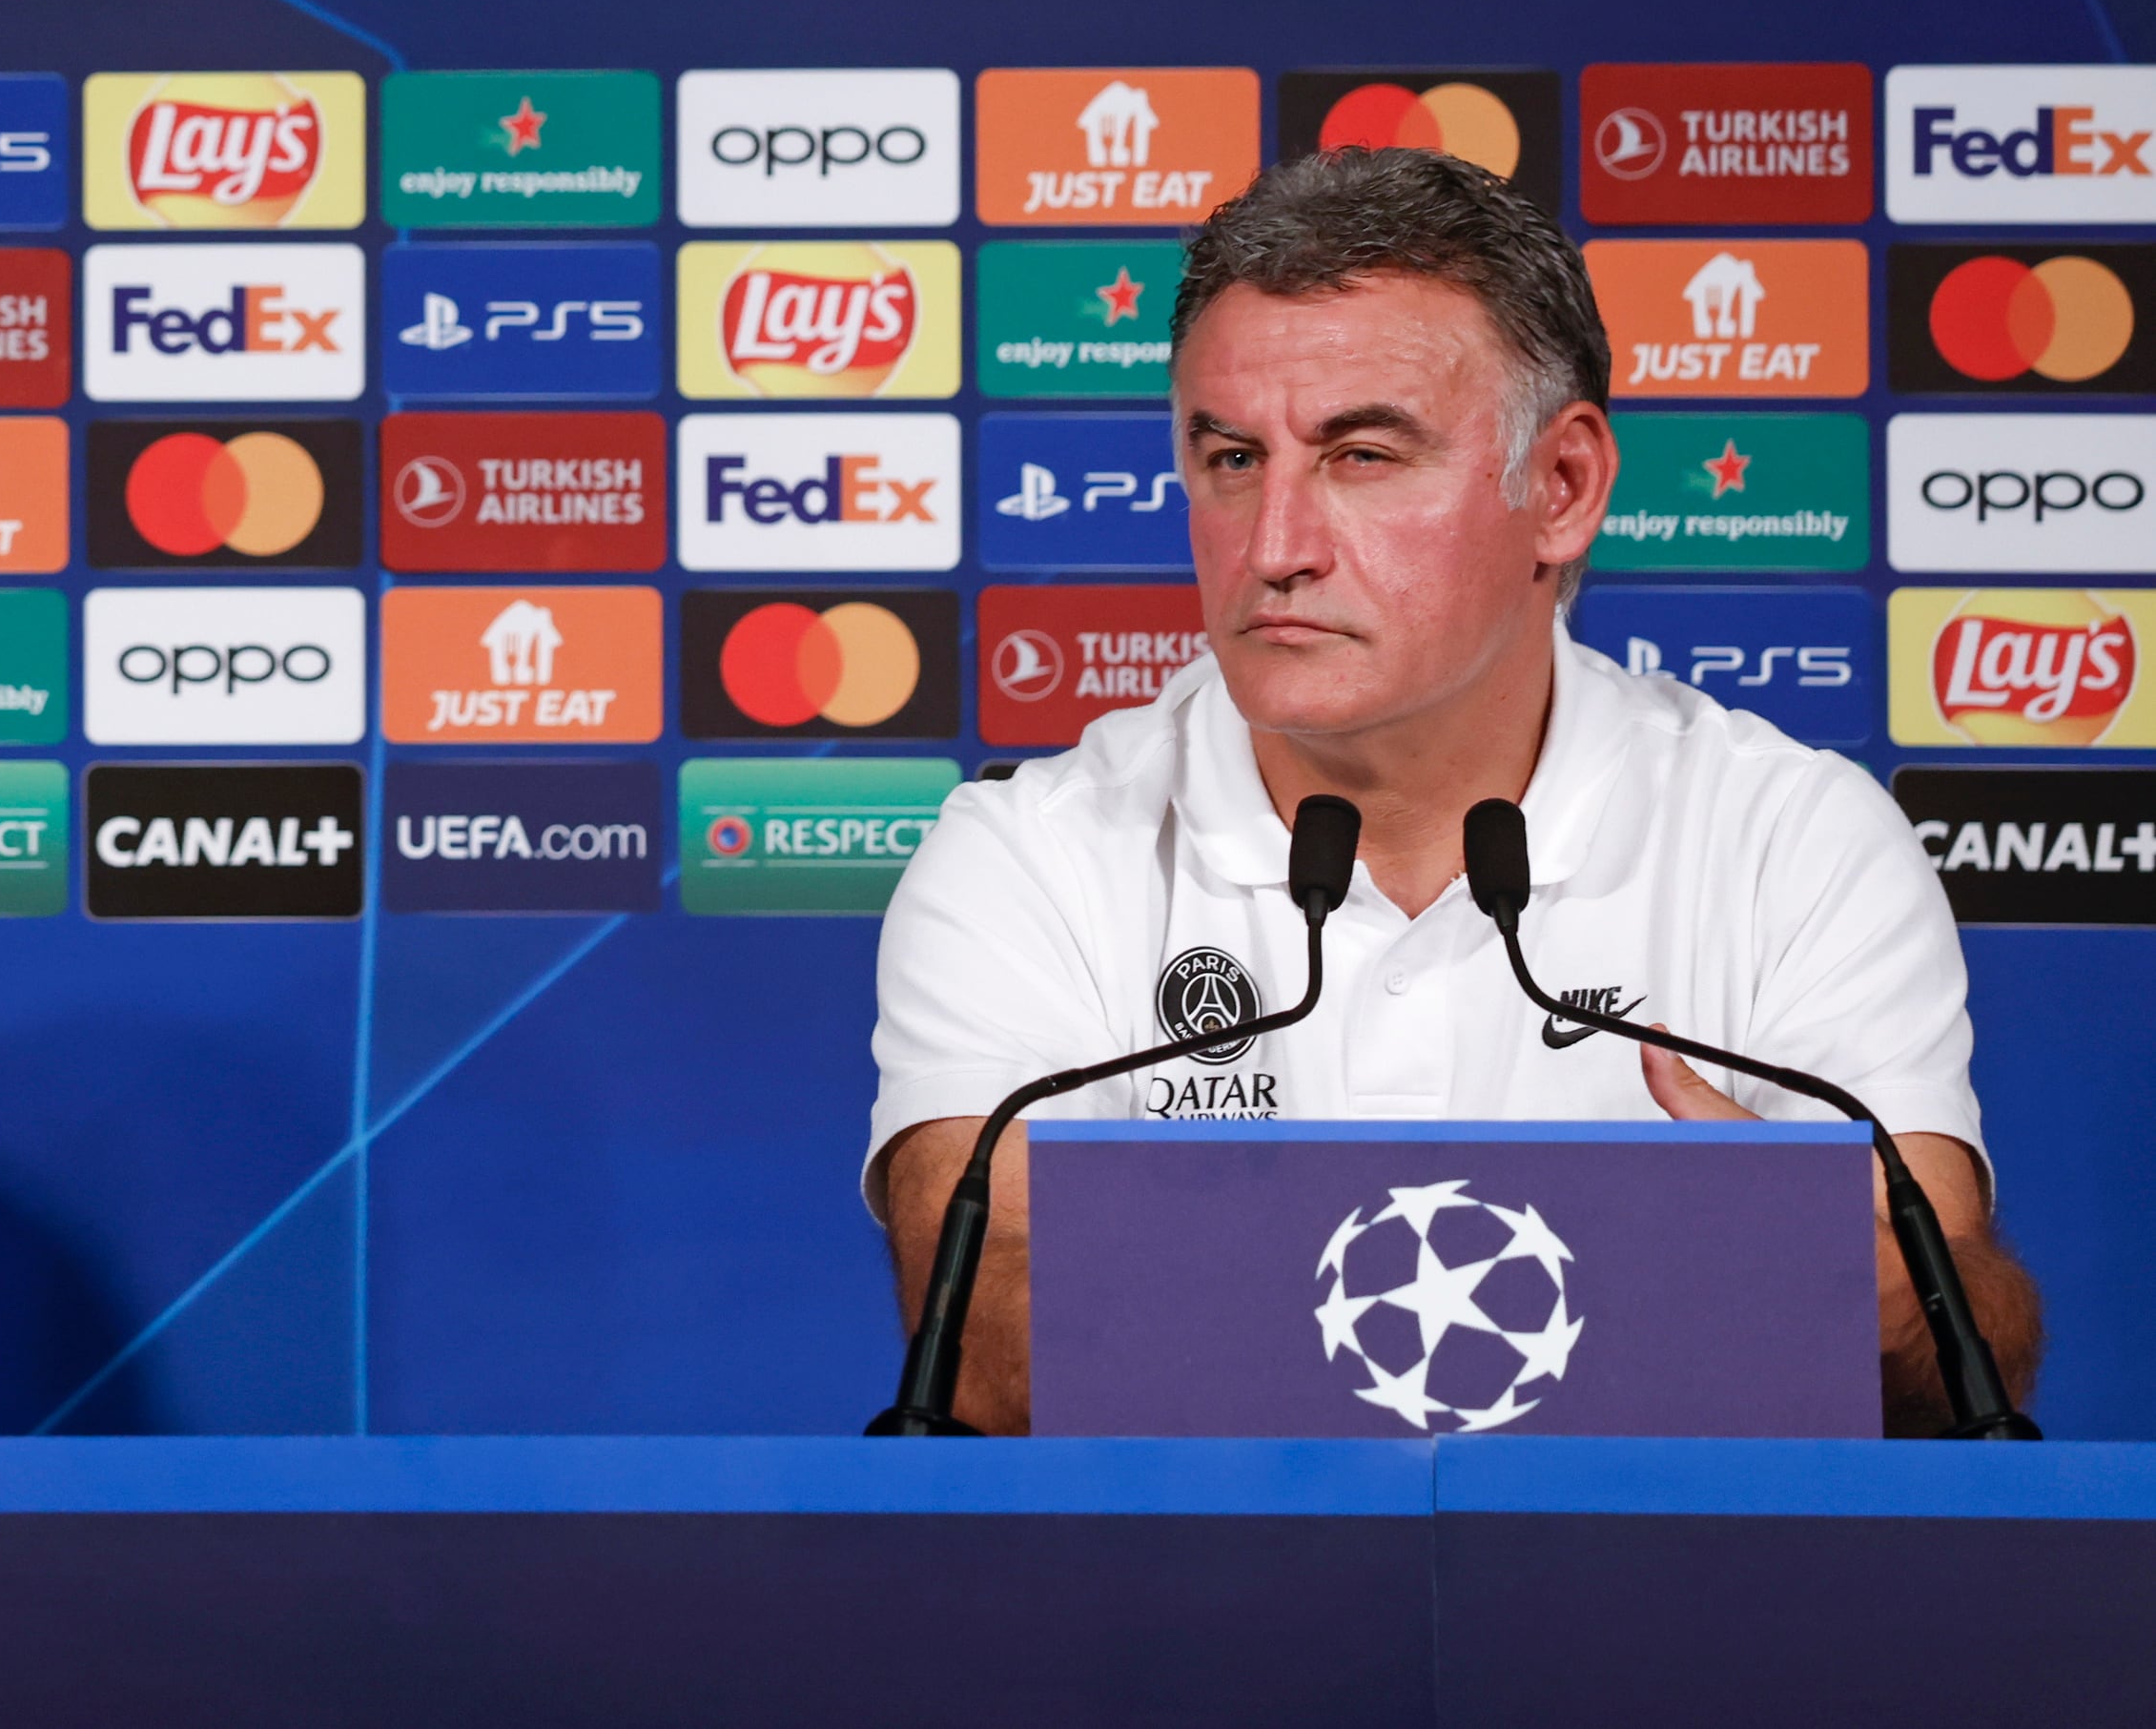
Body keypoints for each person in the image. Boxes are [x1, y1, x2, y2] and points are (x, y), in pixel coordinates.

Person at [867, 147, 2036, 1434]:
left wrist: (1190, 1281)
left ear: (1565, 487)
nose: (1276, 547)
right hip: (1184, 1622)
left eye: (1363, 456)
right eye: (1232, 457)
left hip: (1664, 1621)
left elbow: (1949, 1360)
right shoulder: (1031, 853)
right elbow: (992, 1350)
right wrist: (1723, 1268)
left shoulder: (1794, 839)